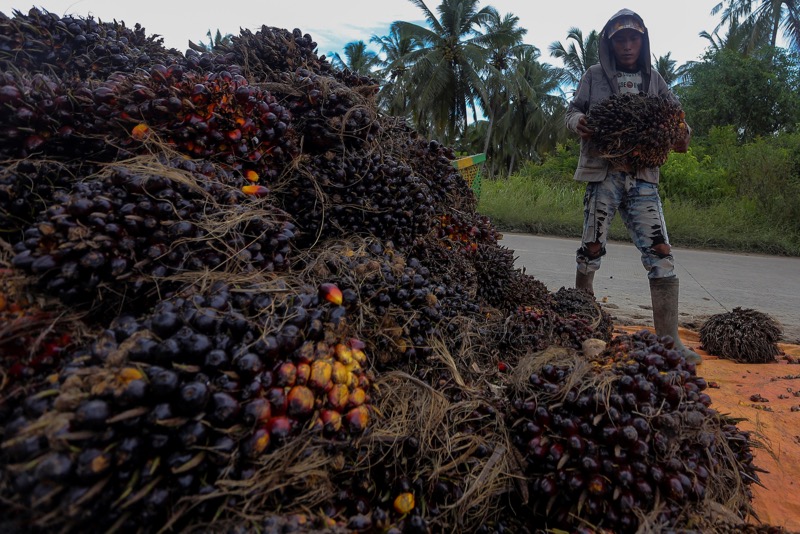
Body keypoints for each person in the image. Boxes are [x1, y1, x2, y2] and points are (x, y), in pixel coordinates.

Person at [565, 8, 701, 364]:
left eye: (633, 39)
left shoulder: (654, 79)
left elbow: (680, 123)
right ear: (610, 44)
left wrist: (682, 134)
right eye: (620, 39)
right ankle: (584, 327)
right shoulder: (593, 76)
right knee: (591, 249)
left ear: (643, 42)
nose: (627, 46)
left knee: (661, 253)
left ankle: (670, 343)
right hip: (603, 174)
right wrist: (579, 121)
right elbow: (572, 111)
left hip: (642, 179)